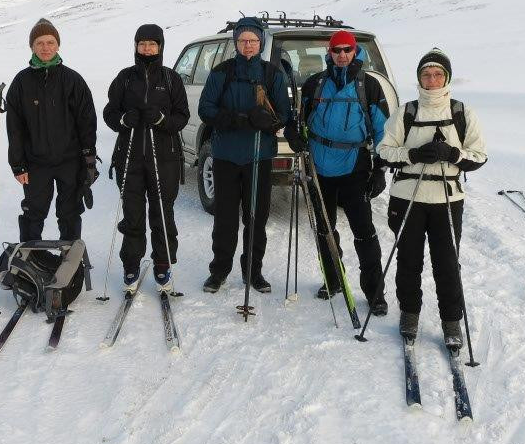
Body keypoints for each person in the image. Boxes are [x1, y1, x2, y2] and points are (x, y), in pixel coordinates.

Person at [377, 49, 487, 346]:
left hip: (447, 199)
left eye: (438, 73)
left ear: (446, 77)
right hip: (407, 197)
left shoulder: (462, 112)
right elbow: (384, 151)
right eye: (426, 74)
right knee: (408, 260)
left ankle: (451, 322)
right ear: (419, 78)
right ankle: (409, 314)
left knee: (447, 263)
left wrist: (453, 154)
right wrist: (412, 155)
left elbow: (478, 156)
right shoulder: (406, 112)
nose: (432, 79)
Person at [284, 29, 390, 314]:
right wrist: (293, 134)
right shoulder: (314, 85)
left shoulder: (368, 86)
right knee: (324, 228)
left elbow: (382, 131)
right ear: (329, 53)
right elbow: (298, 120)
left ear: (355, 52)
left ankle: (375, 292)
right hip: (318, 167)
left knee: (364, 231)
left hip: (354, 165)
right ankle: (333, 280)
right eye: (336, 50)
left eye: (347, 50)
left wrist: (379, 168)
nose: (342, 55)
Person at [198, 16, 291, 294]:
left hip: (258, 156)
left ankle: (254, 271)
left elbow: (284, 113)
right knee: (225, 217)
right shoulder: (222, 72)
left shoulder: (272, 73)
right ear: (236, 43)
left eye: (252, 40)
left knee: (255, 216)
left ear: (260, 42)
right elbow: (206, 109)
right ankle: (219, 271)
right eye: (242, 40)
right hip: (226, 155)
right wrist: (236, 119)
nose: (247, 45)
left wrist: (268, 120)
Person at [103, 24, 189, 291]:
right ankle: (131, 264)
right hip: (130, 157)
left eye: (152, 44)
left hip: (164, 158)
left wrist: (162, 119)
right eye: (142, 44)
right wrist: (123, 119)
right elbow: (109, 112)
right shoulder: (125, 78)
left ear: (160, 47)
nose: (147, 48)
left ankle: (162, 264)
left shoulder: (171, 79)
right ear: (136, 46)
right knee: (133, 213)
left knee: (162, 212)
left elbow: (182, 116)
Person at [6, 18, 98, 244]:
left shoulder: (73, 80)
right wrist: (18, 164)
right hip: (35, 163)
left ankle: (70, 269)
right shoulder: (21, 82)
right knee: (33, 214)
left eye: (50, 42)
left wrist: (88, 159)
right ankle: (28, 266)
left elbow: (87, 122)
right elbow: (14, 128)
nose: (45, 48)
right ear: (32, 47)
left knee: (69, 213)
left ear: (58, 45)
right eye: (40, 43)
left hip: (70, 161)